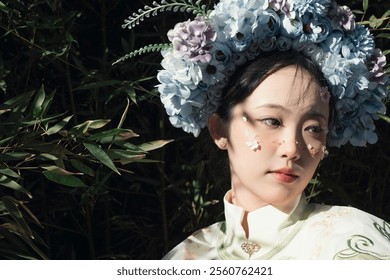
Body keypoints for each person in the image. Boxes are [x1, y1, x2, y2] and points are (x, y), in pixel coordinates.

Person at [122, 0, 390, 259]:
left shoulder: (358, 240)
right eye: (272, 121)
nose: (291, 149)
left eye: (314, 128)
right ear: (219, 130)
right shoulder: (187, 256)